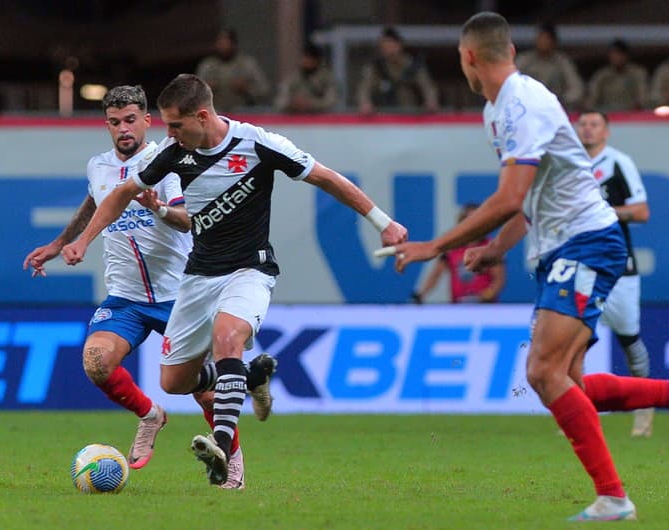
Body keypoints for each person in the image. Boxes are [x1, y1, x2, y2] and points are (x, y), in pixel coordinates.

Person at [391, 12, 669, 521]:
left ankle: (614, 498)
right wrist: (498, 248)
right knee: (569, 382)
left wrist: (438, 246)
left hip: (587, 244)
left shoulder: (523, 105)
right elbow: (531, 202)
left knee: (542, 371)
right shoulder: (497, 111)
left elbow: (510, 196)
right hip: (560, 250)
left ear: (469, 57)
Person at [60, 74, 408, 486]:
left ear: (202, 116)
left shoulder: (259, 143)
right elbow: (117, 194)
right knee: (174, 382)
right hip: (197, 276)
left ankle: (223, 455)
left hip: (249, 269)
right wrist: (82, 241)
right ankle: (251, 377)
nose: (168, 135)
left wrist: (383, 223)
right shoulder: (174, 153)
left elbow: (327, 178)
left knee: (228, 339)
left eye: (175, 126)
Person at [22, 85, 248, 489]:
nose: (123, 129)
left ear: (147, 120)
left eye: (130, 120)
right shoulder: (100, 166)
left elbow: (188, 220)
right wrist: (61, 244)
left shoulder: (170, 160)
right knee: (96, 363)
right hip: (126, 297)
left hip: (180, 295)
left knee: (204, 392)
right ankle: (150, 415)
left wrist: (157, 208)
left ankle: (231, 463)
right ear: (106, 125)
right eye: (114, 122)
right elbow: (95, 202)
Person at [576, 110, 654, 438]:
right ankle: (576, 411)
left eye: (595, 124)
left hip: (619, 266)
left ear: (606, 131)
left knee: (628, 338)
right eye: (583, 124)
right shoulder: (570, 164)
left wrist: (604, 212)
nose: (588, 129)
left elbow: (641, 211)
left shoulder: (618, 162)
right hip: (580, 264)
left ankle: (645, 411)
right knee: (574, 338)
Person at [412, 203, 505, 304]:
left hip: (485, 308)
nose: (474, 224)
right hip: (458, 308)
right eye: (469, 219)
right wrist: (421, 294)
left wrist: (486, 296)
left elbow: (499, 279)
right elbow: (435, 275)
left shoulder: (489, 246)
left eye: (478, 219)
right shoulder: (452, 247)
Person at [356, 27, 439, 115]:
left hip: (409, 113)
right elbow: (364, 87)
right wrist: (364, 102)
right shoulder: (375, 66)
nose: (388, 49)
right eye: (384, 46)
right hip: (382, 115)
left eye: (391, 45)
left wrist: (431, 101)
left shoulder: (412, 65)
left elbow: (426, 85)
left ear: (399, 45)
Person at [195, 28, 270, 114]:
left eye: (226, 43)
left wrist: (247, 89)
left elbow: (264, 90)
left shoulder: (247, 64)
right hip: (215, 112)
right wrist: (206, 89)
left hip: (242, 112)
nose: (222, 46)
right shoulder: (207, 65)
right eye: (220, 43)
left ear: (234, 44)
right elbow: (194, 94)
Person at [515, 23, 584, 110]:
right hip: (526, 106)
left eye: (547, 39)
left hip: (555, 106)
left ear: (554, 42)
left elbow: (576, 88)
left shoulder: (562, 62)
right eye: (541, 38)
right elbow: (511, 82)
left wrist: (561, 100)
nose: (543, 42)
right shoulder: (524, 60)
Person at [585, 39, 648, 111]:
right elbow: (592, 98)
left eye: (619, 54)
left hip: (631, 114)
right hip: (606, 113)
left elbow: (643, 97)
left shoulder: (637, 73)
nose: (616, 57)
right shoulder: (602, 75)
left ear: (626, 55)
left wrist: (639, 105)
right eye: (613, 54)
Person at [274, 43, 338, 113]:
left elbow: (331, 101)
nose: (306, 61)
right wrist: (291, 103)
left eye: (310, 59)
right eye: (304, 58)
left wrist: (311, 103)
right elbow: (280, 100)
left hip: (320, 119)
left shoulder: (326, 79)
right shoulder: (293, 78)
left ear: (317, 61)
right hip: (295, 119)